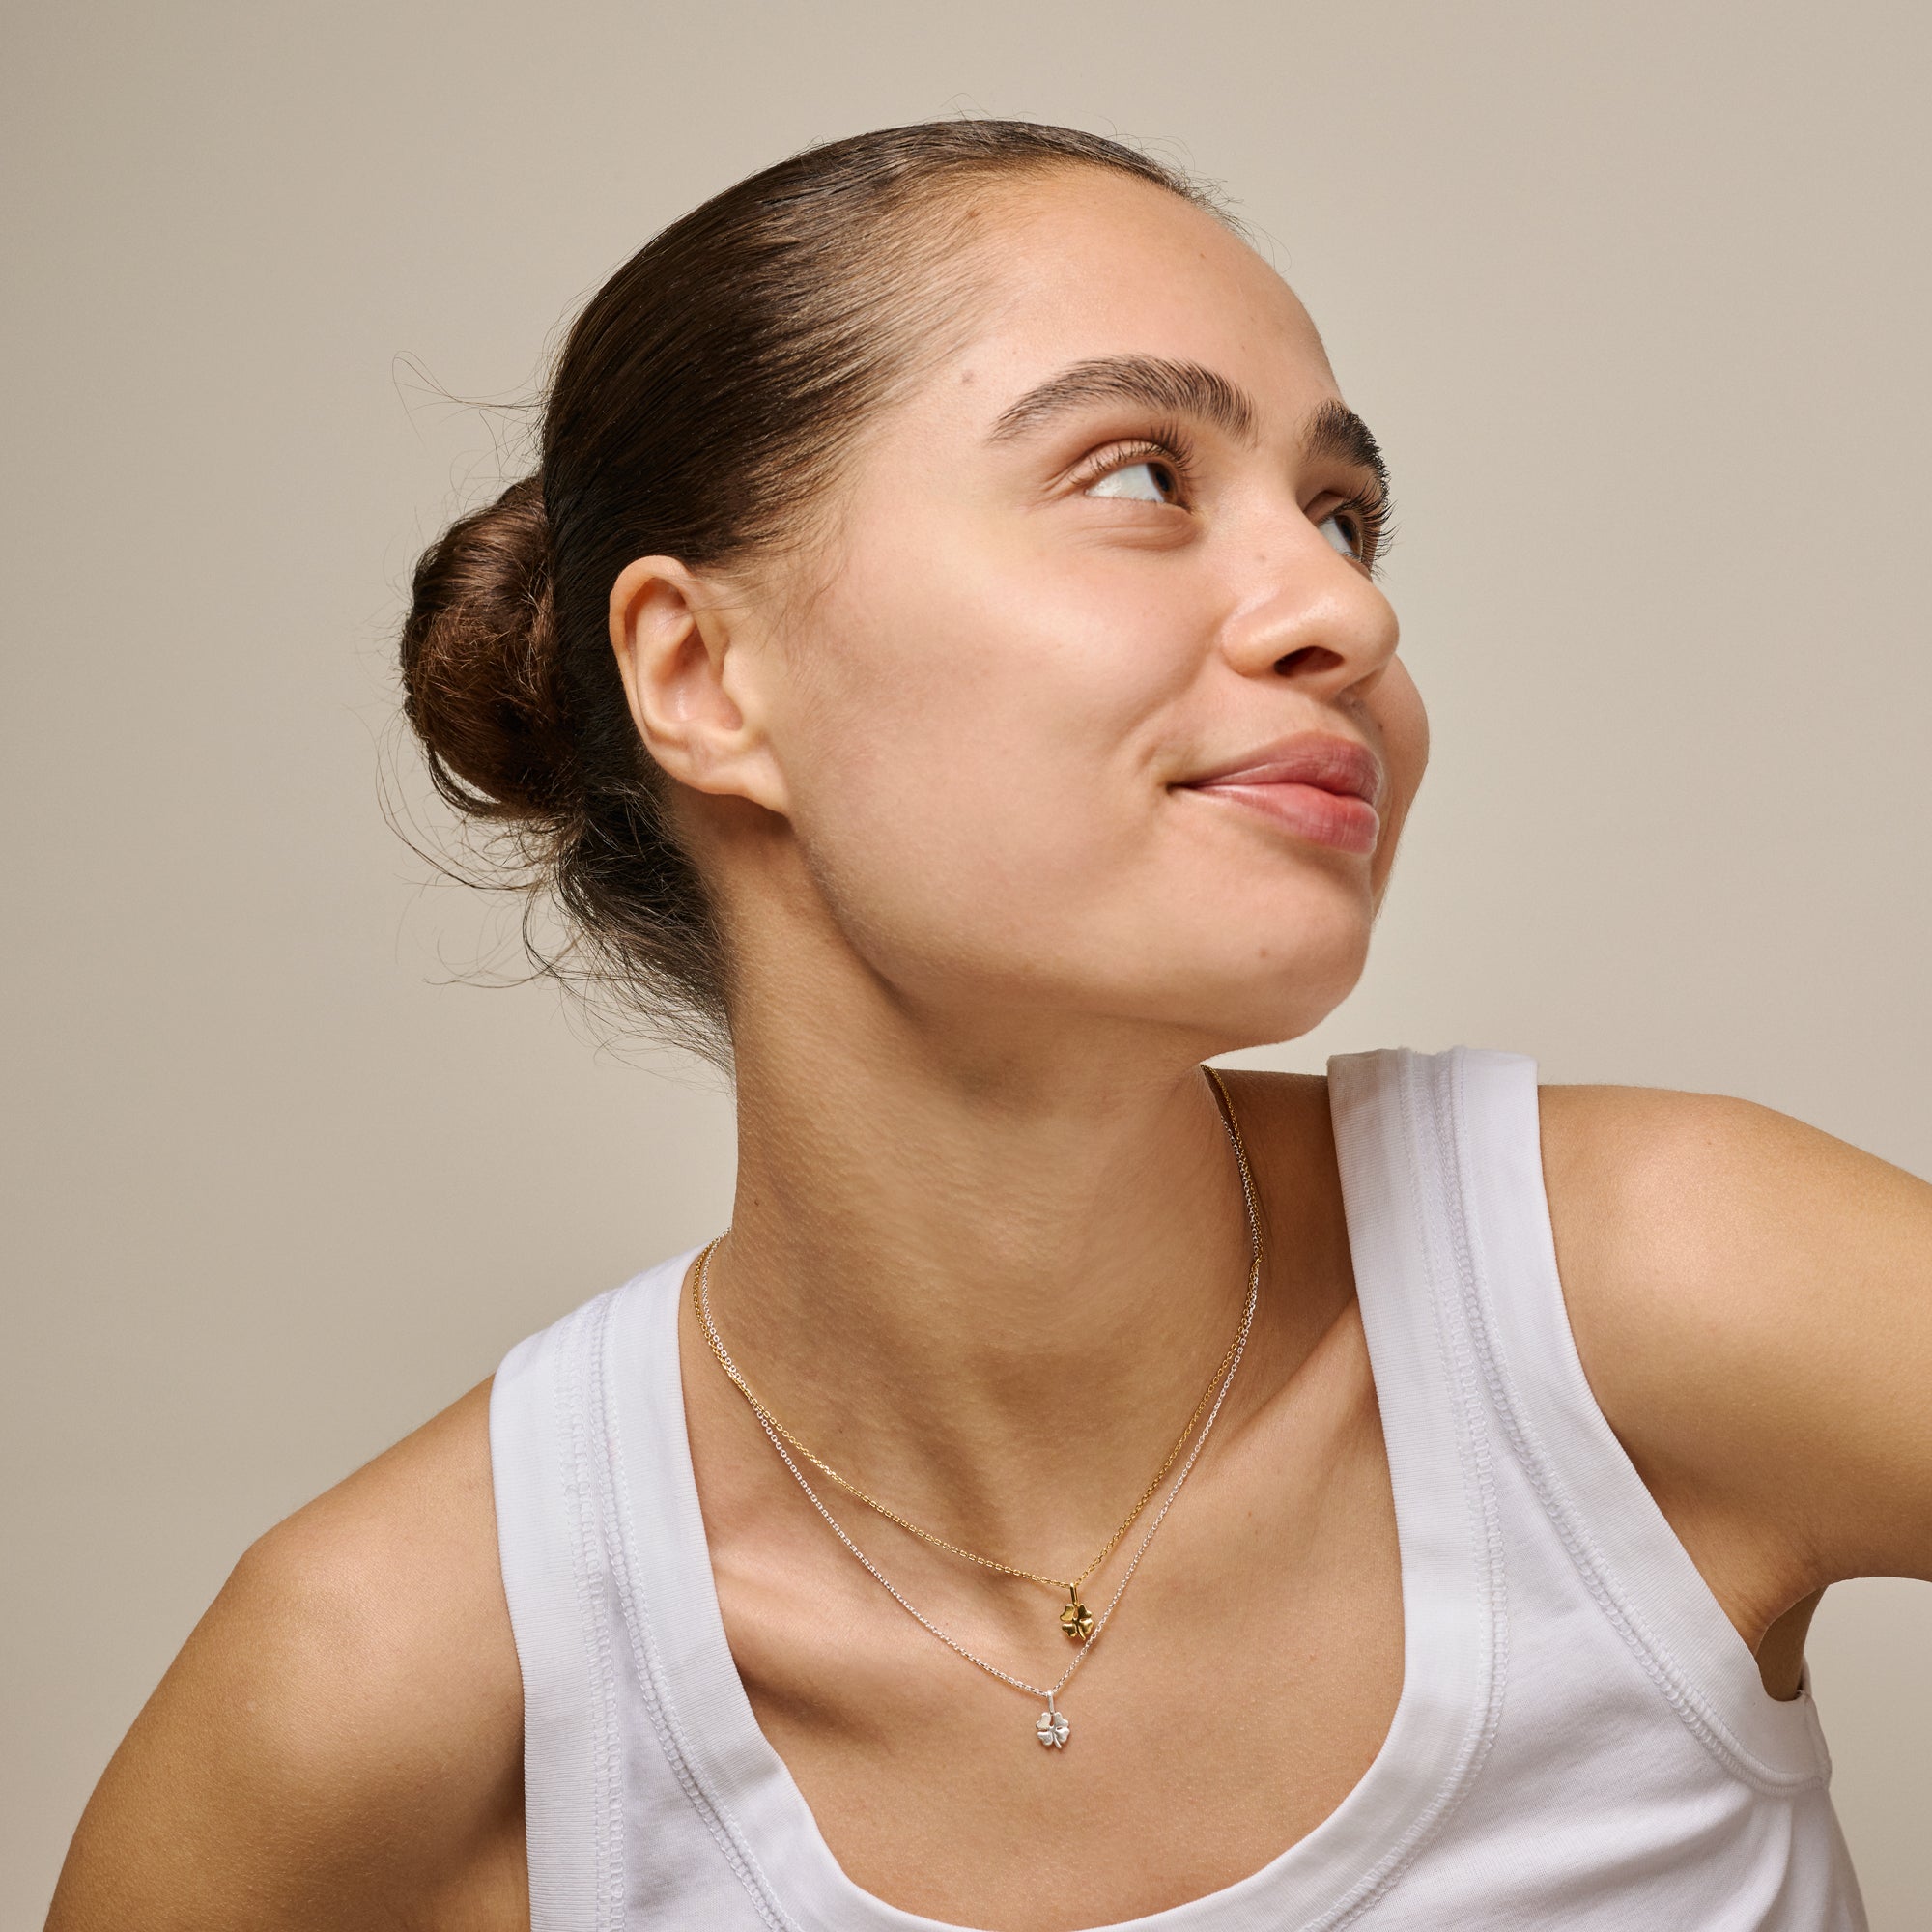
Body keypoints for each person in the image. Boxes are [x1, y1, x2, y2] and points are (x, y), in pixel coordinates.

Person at [45, 120, 1927, 1932]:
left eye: (1342, 516)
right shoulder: (383, 1684)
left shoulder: (1649, 1293)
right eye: (1141, 479)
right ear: (704, 675)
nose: (1342, 613)